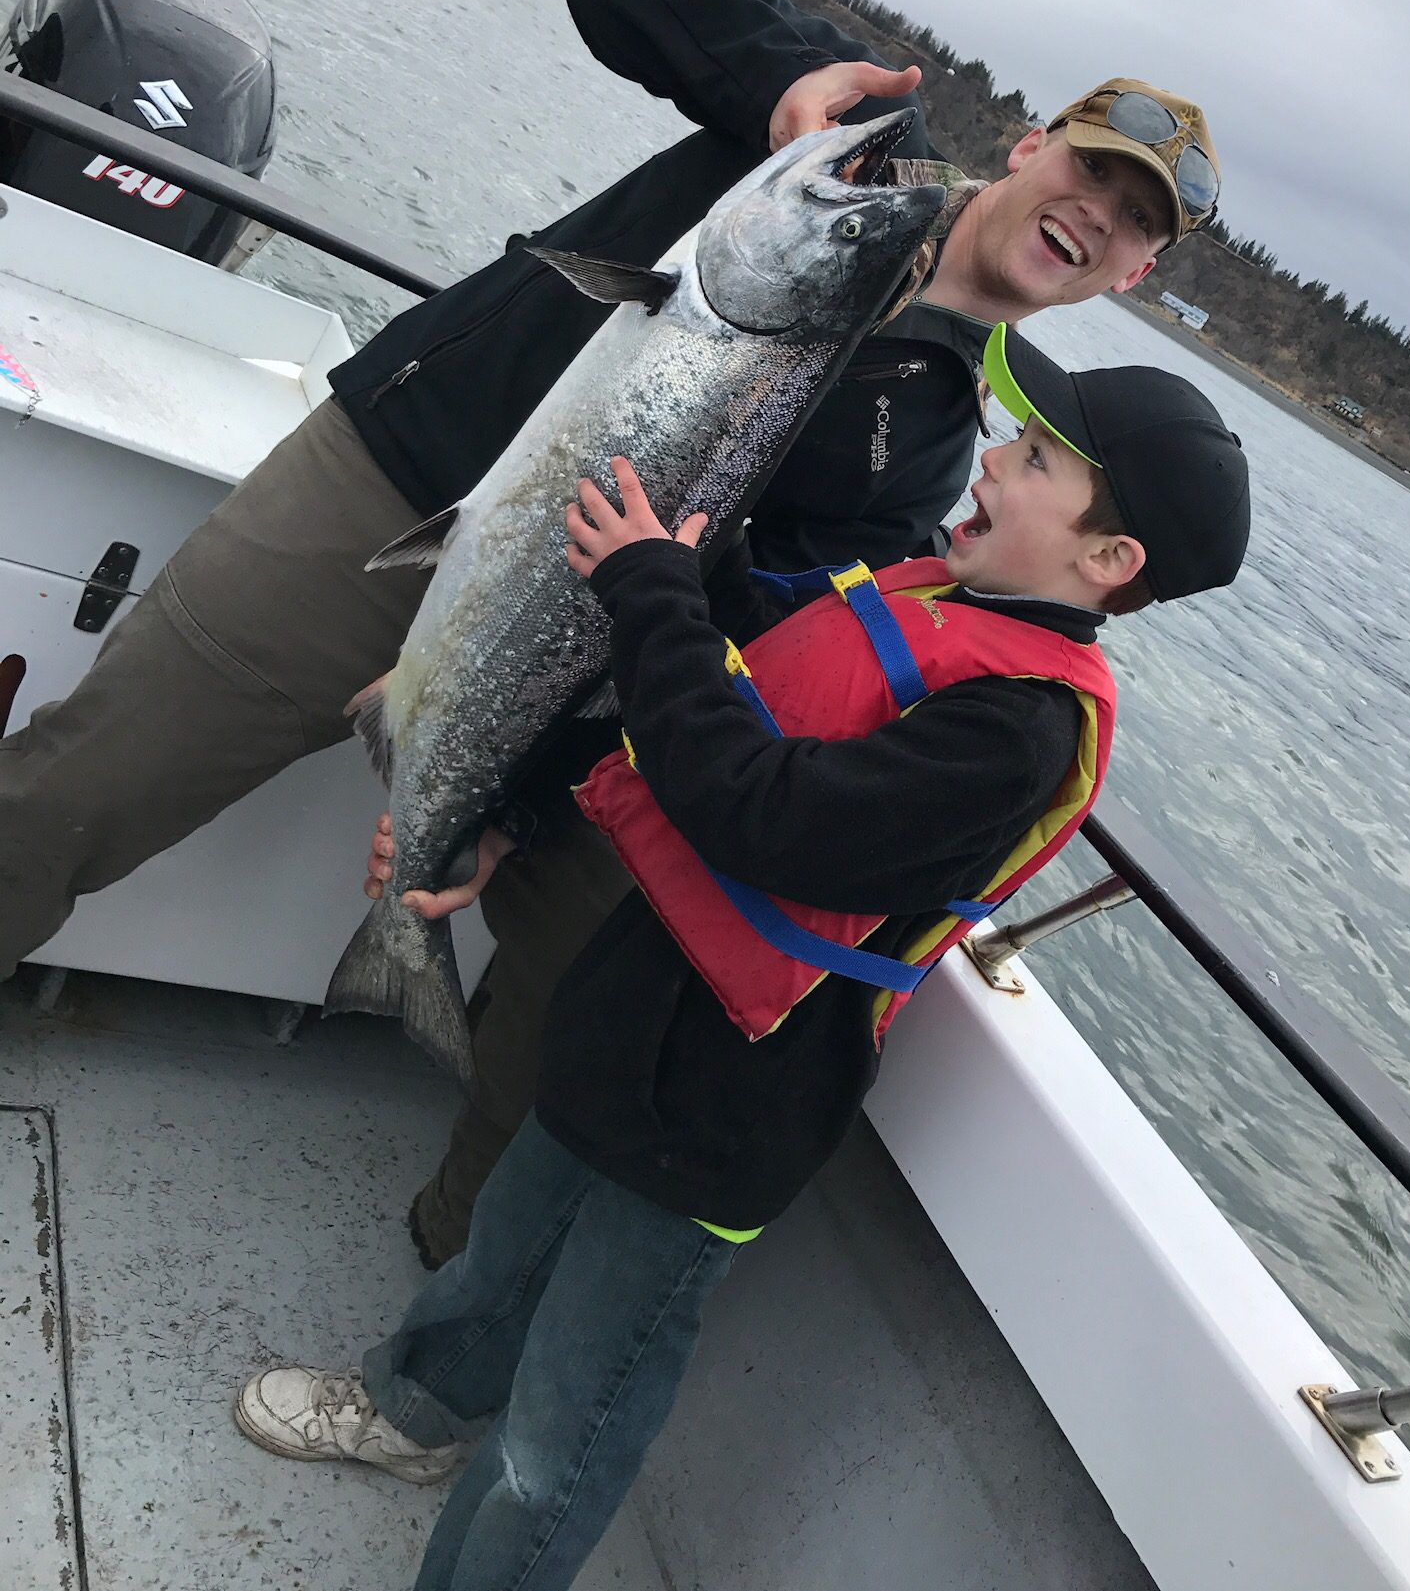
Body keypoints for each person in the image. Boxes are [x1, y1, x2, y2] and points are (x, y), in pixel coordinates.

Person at [0, 0, 1219, 1260]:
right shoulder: (836, 143)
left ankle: (437, 1291)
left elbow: (731, 615)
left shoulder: (932, 448)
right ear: (1036, 140)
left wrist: (500, 803)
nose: (1099, 214)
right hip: (388, 483)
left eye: (1137, 221)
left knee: (574, 996)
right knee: (79, 784)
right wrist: (782, 84)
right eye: (1096, 173)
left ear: (1130, 274)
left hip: (560, 640)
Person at [233, 327, 1250, 1591]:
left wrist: (648, 590)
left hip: (730, 1102)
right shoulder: (933, 595)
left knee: (569, 1416)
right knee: (504, 1242)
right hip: (631, 1004)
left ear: (1109, 560)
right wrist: (683, 564)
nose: (992, 457)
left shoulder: (1020, 727)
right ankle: (412, 1412)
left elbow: (767, 813)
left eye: (1036, 457)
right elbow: (755, 667)